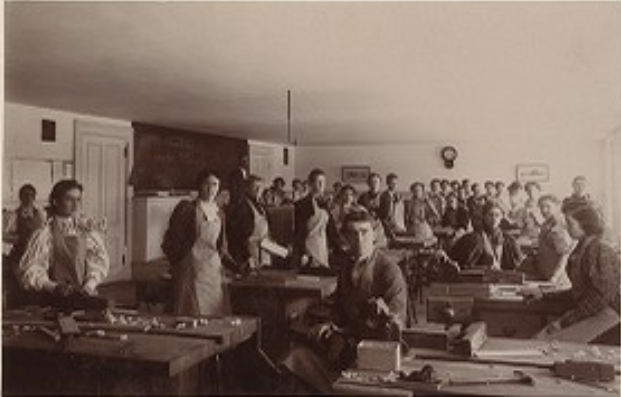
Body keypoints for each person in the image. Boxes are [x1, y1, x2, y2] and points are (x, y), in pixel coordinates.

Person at [281, 210, 408, 394]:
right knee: (295, 358)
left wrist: (381, 315)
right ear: (345, 238)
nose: (360, 239)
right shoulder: (347, 266)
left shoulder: (388, 271)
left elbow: (396, 324)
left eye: (364, 232)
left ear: (374, 235)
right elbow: (340, 309)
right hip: (348, 344)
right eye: (353, 234)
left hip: (379, 351)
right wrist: (330, 325)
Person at [526, 201, 620, 343]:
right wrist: (544, 296)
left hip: (609, 315)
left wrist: (565, 322)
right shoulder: (582, 247)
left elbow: (601, 296)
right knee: (540, 339)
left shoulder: (599, 249)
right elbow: (579, 292)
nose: (566, 227)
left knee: (543, 343)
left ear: (585, 224)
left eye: (570, 223)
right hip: (593, 312)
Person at [17, 180, 109, 299]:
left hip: (83, 294)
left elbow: (97, 263)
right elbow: (32, 268)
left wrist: (89, 286)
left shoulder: (86, 230)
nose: (76, 205)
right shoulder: (45, 232)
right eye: (69, 199)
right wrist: (53, 287)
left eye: (78, 199)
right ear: (55, 201)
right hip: (51, 297)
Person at [162, 170, 236, 316]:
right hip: (191, 270)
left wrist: (237, 266)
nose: (210, 189)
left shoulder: (219, 213)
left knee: (215, 313)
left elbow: (222, 247)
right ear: (199, 186)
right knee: (192, 313)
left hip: (213, 272)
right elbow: (170, 241)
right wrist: (179, 266)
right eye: (206, 184)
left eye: (214, 184)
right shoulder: (187, 209)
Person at [449, 201, 524, 270]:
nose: (494, 219)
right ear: (484, 217)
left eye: (497, 215)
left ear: (501, 218)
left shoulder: (509, 241)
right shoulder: (473, 239)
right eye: (490, 215)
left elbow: (517, 266)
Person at [519, 195, 573, 288]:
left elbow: (565, 255)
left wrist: (555, 277)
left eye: (548, 206)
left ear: (558, 206)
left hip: (558, 280)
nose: (544, 210)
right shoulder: (547, 223)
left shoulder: (558, 225)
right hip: (547, 275)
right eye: (541, 207)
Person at [293, 169, 341, 269]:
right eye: (318, 182)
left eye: (323, 182)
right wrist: (302, 253)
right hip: (308, 247)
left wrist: (344, 246)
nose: (321, 185)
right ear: (311, 184)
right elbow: (299, 232)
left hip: (322, 246)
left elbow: (331, 230)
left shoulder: (325, 204)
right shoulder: (302, 205)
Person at [227, 175, 272, 273]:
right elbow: (237, 237)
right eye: (255, 187)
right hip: (249, 255)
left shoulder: (262, 207)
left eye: (261, 187)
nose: (258, 190)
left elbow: (266, 233)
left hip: (264, 254)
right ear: (246, 188)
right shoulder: (241, 207)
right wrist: (246, 257)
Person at [378, 173, 406, 238]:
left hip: (400, 225)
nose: (394, 185)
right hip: (388, 225)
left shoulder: (400, 195)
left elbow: (402, 212)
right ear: (387, 183)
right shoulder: (383, 196)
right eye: (392, 183)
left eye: (395, 183)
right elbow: (383, 213)